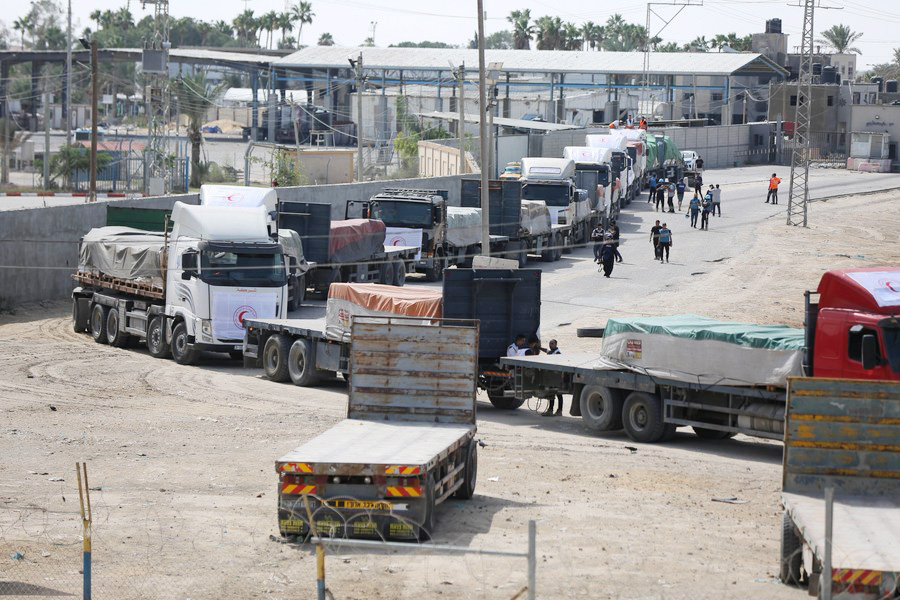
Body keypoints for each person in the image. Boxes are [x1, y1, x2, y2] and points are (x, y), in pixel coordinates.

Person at [543, 340, 564, 416]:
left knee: (558, 394)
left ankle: (559, 410)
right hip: (552, 377)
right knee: (552, 393)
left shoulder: (557, 353)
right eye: (549, 344)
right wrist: (539, 348)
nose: (550, 345)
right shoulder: (552, 352)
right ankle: (551, 409)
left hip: (556, 377)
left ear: (556, 344)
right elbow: (547, 351)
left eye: (552, 344)